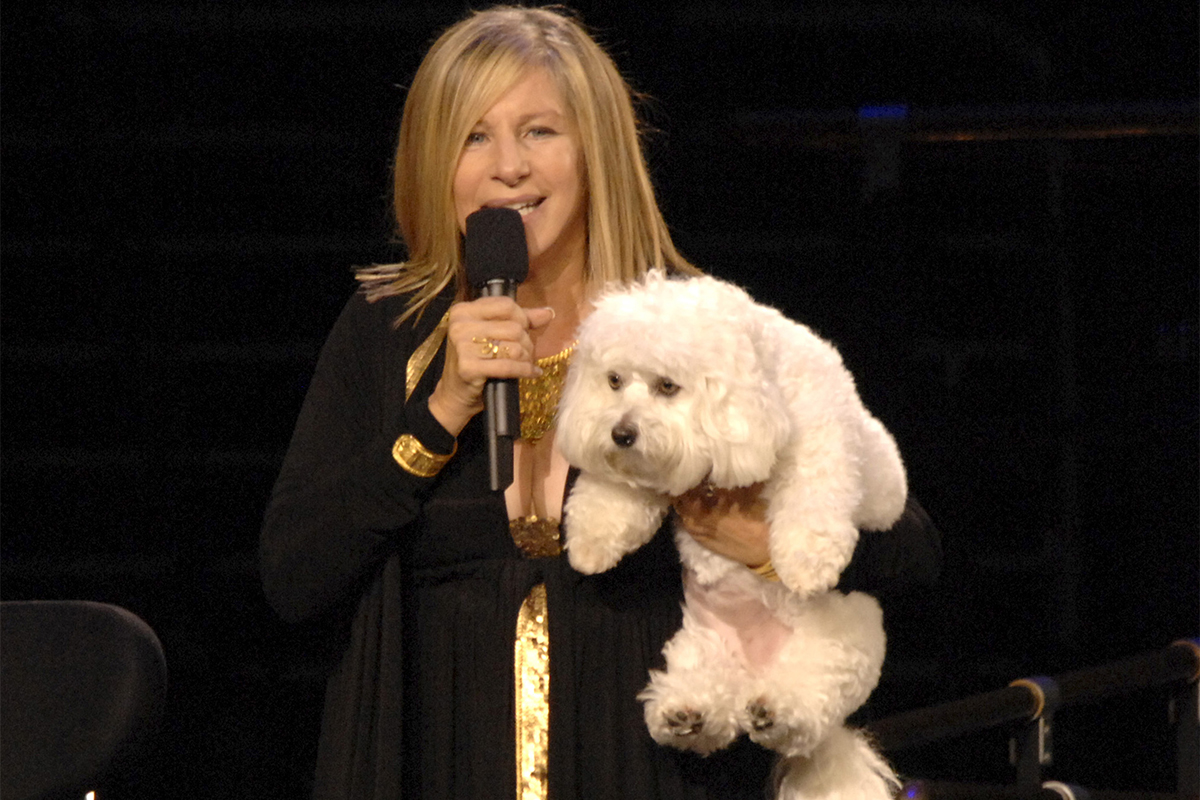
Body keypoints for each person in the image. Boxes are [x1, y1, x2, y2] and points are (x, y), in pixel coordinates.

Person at [260, 6, 941, 800]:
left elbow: (912, 550)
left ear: (595, 152)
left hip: (653, 771)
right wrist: (439, 410)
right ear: (433, 161)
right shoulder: (388, 331)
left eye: (539, 132)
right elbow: (294, 576)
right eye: (473, 136)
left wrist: (763, 539)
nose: (508, 165)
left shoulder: (691, 326)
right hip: (446, 763)